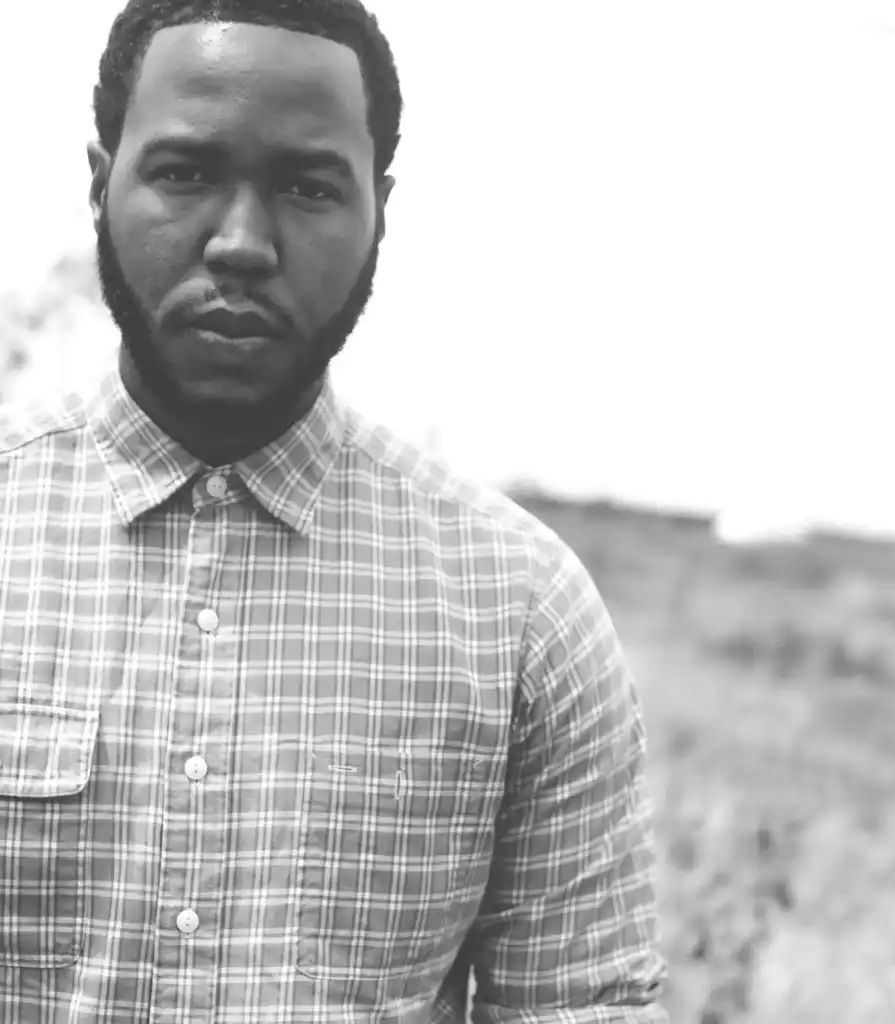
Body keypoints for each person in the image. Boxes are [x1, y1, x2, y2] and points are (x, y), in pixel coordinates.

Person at [0, 1, 668, 1020]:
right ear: (101, 184)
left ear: (377, 213)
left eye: (307, 188)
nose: (240, 244)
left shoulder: (519, 609)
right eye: (185, 172)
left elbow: (580, 1002)